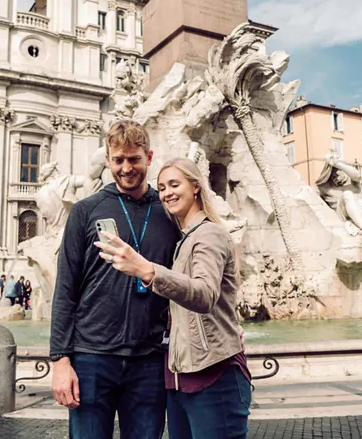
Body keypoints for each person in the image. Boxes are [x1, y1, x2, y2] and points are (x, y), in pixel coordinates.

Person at [95, 156, 251, 438]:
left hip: (214, 374)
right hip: (181, 378)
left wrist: (147, 270)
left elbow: (204, 294)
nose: (167, 193)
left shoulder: (210, 234)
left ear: (195, 187)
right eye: (162, 187)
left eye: (174, 184)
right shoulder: (184, 240)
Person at [50, 120, 180, 439]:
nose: (126, 168)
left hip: (149, 358)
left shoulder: (170, 213)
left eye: (134, 159)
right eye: (118, 160)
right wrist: (60, 360)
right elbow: (65, 289)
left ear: (149, 157)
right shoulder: (85, 211)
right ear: (108, 160)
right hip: (92, 357)